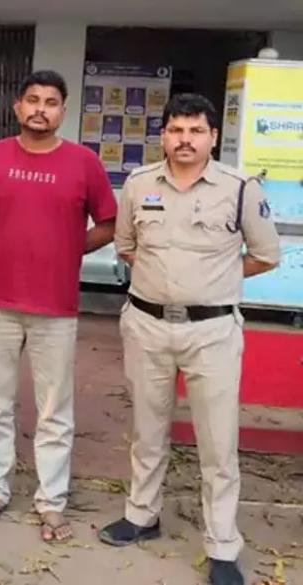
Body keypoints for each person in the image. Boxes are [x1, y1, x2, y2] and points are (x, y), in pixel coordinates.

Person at [97, 94, 281, 585]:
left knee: (218, 442)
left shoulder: (240, 189)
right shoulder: (138, 184)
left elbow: (266, 254)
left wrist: (213, 278)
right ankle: (142, 515)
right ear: (163, 135)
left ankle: (222, 545)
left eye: (196, 131)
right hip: (147, 324)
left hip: (212, 331)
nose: (185, 139)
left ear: (213, 137)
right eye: (176, 130)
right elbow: (126, 246)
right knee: (147, 429)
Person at [0, 70, 117, 541]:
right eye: (32, 100)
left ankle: (51, 501)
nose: (40, 109)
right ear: (17, 107)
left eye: (50, 102)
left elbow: (109, 224)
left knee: (54, 411)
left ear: (63, 111)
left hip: (56, 308)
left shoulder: (84, 163)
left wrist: (68, 248)